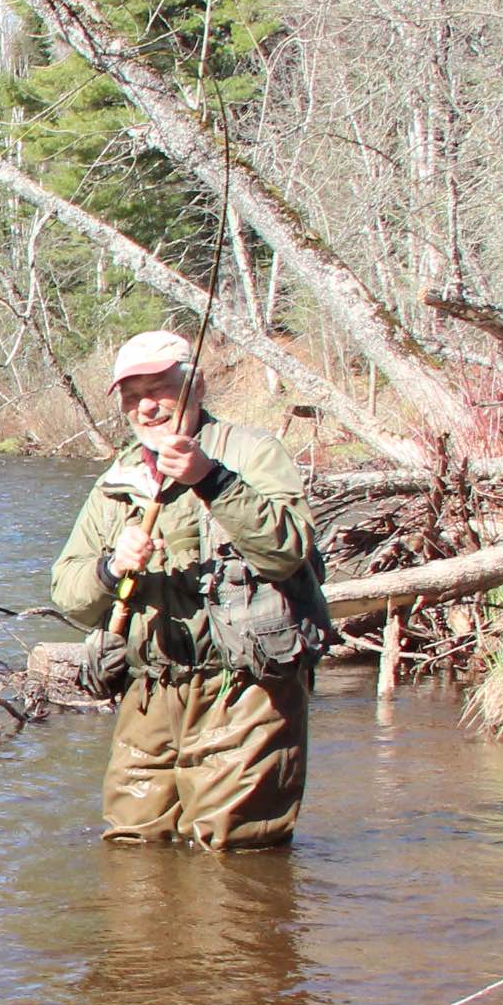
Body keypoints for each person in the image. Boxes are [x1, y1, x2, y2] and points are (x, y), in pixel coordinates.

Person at [48, 330, 331, 851]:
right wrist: (111, 569)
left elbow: (289, 550)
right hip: (150, 691)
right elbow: (69, 595)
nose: (145, 407)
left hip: (246, 688)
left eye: (159, 390)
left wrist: (212, 480)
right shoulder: (118, 480)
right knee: (134, 846)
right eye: (132, 397)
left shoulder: (252, 453)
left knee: (234, 853)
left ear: (195, 386)